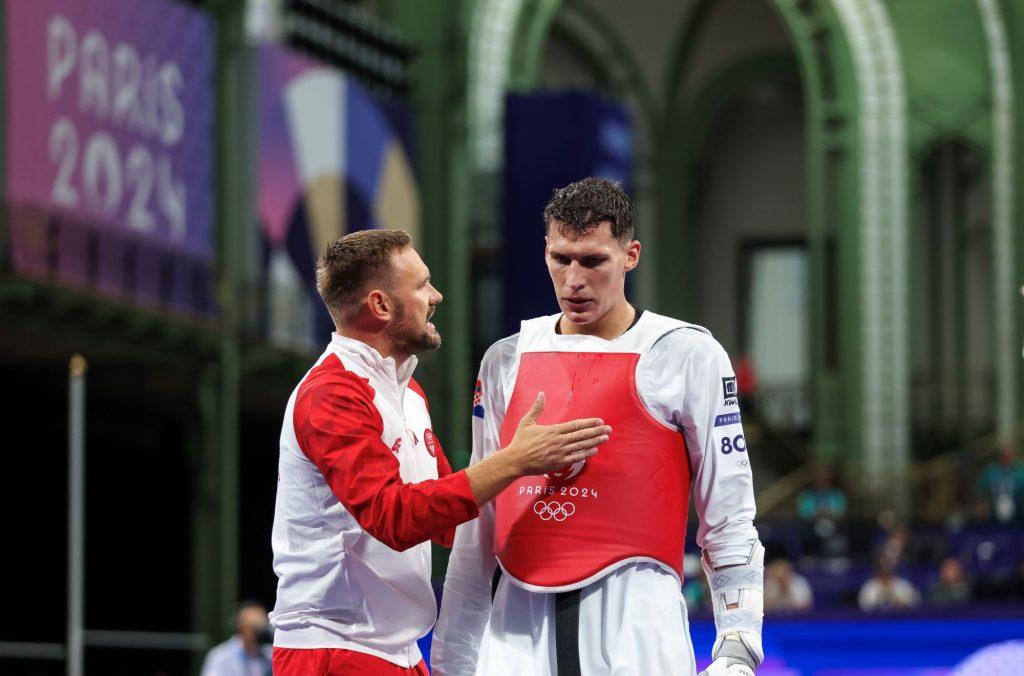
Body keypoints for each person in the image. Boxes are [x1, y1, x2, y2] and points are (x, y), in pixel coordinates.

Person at [432, 179, 765, 676]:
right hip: (517, 624)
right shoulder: (504, 361)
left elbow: (729, 510)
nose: (573, 281)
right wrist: (452, 657)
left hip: (636, 620)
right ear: (545, 250)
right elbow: (480, 519)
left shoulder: (686, 355)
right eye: (561, 259)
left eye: (592, 261)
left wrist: (739, 642)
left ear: (630, 255)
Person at [269, 230, 611, 676]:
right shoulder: (331, 395)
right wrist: (516, 459)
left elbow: (451, 520)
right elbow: (393, 518)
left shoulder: (407, 391)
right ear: (381, 306)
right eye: (421, 284)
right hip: (333, 651)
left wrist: (560, 510)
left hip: (400, 652)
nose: (436, 295)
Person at [199, 601, 272, 676]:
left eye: (261, 626)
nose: (257, 631)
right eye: (252, 626)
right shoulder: (220, 655)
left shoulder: (269, 654)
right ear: (240, 625)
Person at [976, 444, 1024, 523]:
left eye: (1009, 454)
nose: (1007, 457)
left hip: (1018, 510)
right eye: (1004, 454)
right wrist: (982, 504)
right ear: (1000, 456)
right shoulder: (990, 471)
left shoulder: (1021, 471)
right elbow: (981, 491)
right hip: (993, 509)